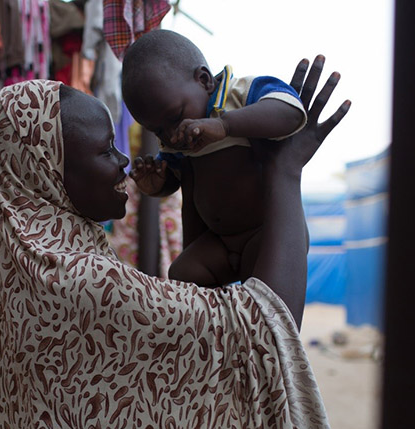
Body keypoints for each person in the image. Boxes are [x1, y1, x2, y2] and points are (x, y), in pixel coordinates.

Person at [0, 55, 350, 429]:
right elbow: (266, 327)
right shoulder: (78, 280)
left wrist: (196, 176)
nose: (123, 164)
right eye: (103, 150)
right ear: (46, 171)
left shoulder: (30, 266)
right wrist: (284, 171)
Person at [122, 30, 308, 287]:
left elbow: (290, 111)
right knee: (182, 272)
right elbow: (177, 177)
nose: (171, 135)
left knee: (260, 296)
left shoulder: (239, 94)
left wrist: (225, 126)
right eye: (158, 131)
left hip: (263, 233)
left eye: (175, 117)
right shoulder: (177, 140)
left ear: (204, 80)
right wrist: (159, 185)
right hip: (218, 242)